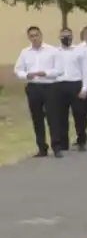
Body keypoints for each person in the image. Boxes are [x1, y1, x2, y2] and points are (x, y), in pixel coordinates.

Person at [13, 26, 63, 158]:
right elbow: (18, 70)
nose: (34, 38)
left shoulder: (52, 51)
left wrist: (45, 73)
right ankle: (42, 148)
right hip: (33, 87)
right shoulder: (25, 52)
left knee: (53, 117)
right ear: (29, 37)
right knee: (37, 118)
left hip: (49, 87)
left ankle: (57, 147)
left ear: (41, 35)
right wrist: (26, 75)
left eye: (36, 35)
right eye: (32, 36)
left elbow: (59, 70)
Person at [53, 27, 87, 152]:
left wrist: (85, 88)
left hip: (75, 84)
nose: (66, 38)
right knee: (61, 116)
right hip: (59, 85)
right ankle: (64, 143)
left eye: (68, 36)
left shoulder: (79, 51)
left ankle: (81, 141)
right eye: (63, 36)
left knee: (79, 114)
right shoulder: (55, 52)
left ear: (72, 37)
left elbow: (86, 70)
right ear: (59, 37)